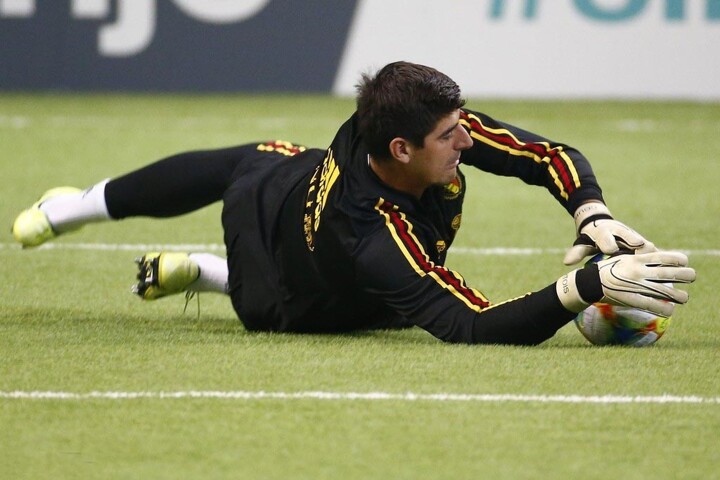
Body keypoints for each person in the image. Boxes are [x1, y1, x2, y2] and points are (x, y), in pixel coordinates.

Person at [11, 61, 696, 345]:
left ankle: (83, 213)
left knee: (254, 157)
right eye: (450, 136)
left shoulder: (405, 122)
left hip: (297, 196)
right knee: (335, 294)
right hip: (289, 290)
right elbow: (472, 325)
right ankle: (185, 260)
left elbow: (546, 155)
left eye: (462, 125)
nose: (468, 141)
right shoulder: (377, 237)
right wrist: (584, 288)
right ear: (402, 149)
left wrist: (590, 211)